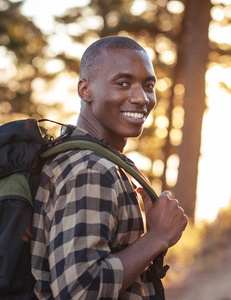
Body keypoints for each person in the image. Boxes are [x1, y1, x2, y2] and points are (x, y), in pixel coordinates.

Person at [31, 36, 188, 299]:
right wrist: (157, 238)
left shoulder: (82, 159)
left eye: (148, 85)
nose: (141, 98)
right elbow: (79, 290)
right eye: (123, 83)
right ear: (85, 90)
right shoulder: (91, 169)